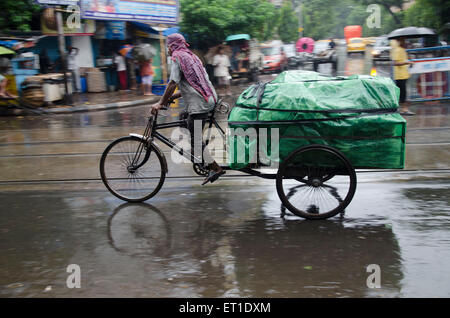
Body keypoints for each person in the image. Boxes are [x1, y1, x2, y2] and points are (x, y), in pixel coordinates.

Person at [150, 33, 225, 185]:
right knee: (184, 117)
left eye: (168, 47)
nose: (168, 50)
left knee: (195, 137)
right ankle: (197, 149)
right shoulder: (191, 56)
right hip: (209, 97)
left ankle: (214, 167)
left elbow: (173, 82)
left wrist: (161, 103)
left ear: (172, 46)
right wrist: (173, 97)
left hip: (201, 104)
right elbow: (191, 83)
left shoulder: (178, 57)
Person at [391, 37, 415, 116]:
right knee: (402, 93)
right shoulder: (398, 50)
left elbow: (404, 60)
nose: (406, 42)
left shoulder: (403, 50)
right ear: (400, 41)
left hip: (404, 74)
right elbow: (395, 63)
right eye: (404, 40)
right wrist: (407, 63)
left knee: (402, 93)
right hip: (400, 75)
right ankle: (404, 110)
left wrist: (409, 60)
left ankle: (402, 109)